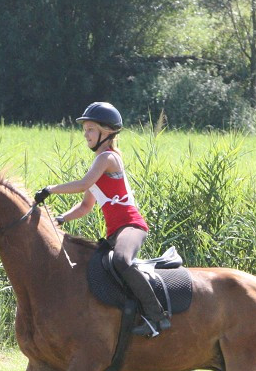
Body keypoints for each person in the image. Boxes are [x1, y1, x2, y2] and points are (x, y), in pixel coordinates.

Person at [34, 102, 170, 337]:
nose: (85, 135)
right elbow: (86, 206)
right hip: (114, 233)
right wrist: (60, 219)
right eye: (84, 129)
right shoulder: (99, 164)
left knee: (121, 261)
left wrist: (50, 189)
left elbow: (82, 185)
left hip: (132, 226)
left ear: (106, 132)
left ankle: (157, 317)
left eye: (90, 129)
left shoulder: (108, 158)